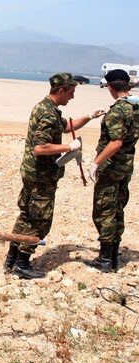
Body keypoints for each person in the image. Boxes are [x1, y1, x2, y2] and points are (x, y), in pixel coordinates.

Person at [4, 73, 105, 279]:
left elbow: (67, 126)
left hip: (33, 173)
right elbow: (40, 148)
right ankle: (22, 263)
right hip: (41, 176)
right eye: (71, 92)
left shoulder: (45, 107)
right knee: (40, 219)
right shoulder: (48, 114)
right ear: (61, 90)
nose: (72, 97)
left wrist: (89, 116)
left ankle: (12, 259)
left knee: (26, 215)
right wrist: (69, 146)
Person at [85, 69, 138, 273]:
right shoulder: (135, 107)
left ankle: (105, 259)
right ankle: (114, 255)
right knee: (117, 208)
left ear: (110, 87)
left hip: (111, 167)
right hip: (126, 165)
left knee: (104, 210)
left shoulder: (117, 111)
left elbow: (116, 141)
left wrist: (96, 162)